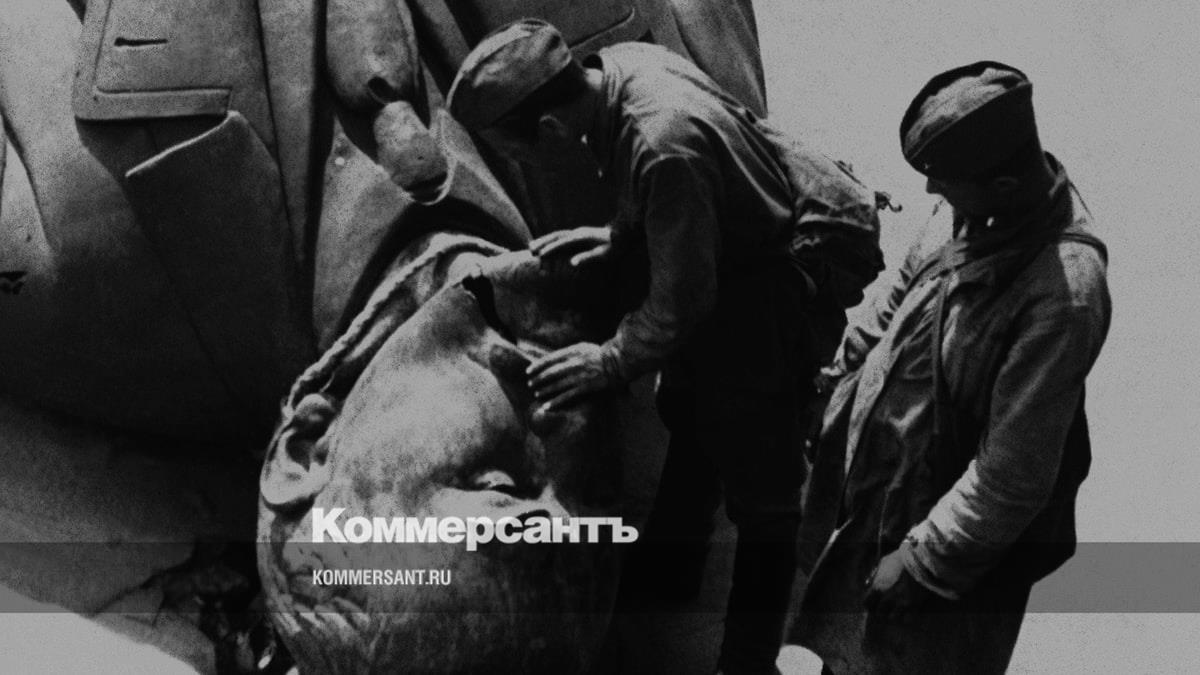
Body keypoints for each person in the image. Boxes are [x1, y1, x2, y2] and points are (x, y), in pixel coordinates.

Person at [445, 20, 881, 674]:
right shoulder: (624, 65)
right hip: (722, 249)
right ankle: (671, 569)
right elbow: (664, 181)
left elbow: (682, 301)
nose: (519, 163)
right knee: (691, 411)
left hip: (759, 295)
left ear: (552, 128)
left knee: (764, 494)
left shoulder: (662, 144)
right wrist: (620, 233)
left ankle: (746, 661)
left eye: (515, 151)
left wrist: (608, 360)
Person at [793, 62, 1112, 673]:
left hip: (950, 536)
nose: (931, 194)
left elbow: (1011, 476)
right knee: (844, 651)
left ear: (1005, 183)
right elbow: (899, 295)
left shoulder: (1065, 293)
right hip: (883, 496)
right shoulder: (975, 204)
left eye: (943, 182)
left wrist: (922, 562)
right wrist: (836, 382)